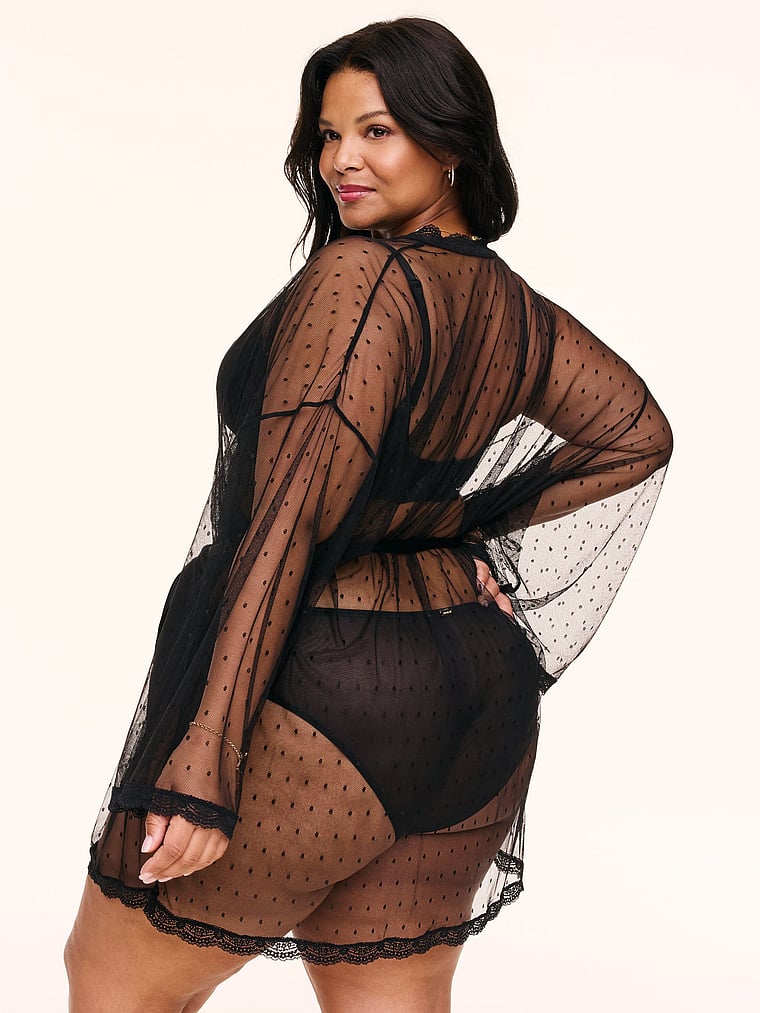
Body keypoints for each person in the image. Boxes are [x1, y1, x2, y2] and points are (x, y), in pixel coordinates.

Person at [65, 16, 673, 1013]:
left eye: (377, 131)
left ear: (452, 144)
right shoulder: (513, 309)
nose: (341, 159)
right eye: (328, 134)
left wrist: (205, 754)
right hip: (475, 700)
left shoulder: (361, 276)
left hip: (324, 691)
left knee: (114, 984)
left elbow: (287, 523)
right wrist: (462, 531)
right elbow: (635, 432)